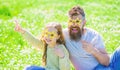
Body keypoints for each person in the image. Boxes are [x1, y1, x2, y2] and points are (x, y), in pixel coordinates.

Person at [63, 5, 120, 70]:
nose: (74, 24)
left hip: (106, 64)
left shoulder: (93, 36)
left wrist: (93, 51)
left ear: (84, 22)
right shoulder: (64, 35)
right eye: (71, 21)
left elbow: (106, 62)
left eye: (77, 21)